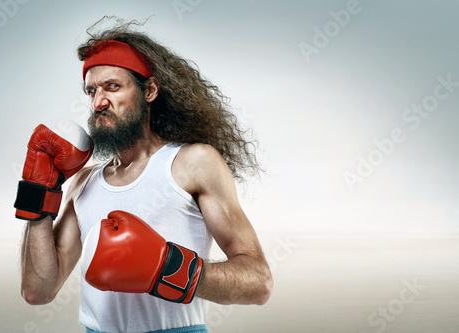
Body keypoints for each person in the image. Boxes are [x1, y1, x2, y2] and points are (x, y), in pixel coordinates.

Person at [17, 18, 273, 333]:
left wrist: (165, 267)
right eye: (92, 91)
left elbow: (258, 282)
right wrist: (38, 193)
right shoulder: (82, 183)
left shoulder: (192, 163)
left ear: (149, 90)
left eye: (112, 86)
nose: (99, 102)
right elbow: (38, 291)